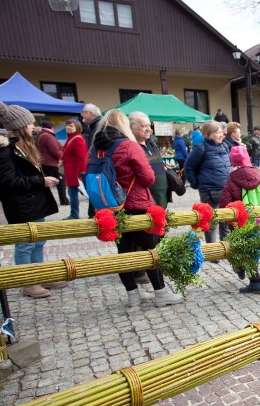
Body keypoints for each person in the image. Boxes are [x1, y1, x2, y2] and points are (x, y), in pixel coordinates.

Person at [94, 109, 182, 307]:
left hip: (111, 206)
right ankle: (161, 293)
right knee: (152, 251)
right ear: (125, 125)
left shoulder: (98, 147)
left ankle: (133, 295)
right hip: (137, 203)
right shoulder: (128, 146)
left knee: (124, 252)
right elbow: (148, 177)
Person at [0, 100, 65, 298]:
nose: (33, 126)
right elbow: (8, 181)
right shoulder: (3, 150)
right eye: (29, 123)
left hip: (34, 202)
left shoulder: (22, 146)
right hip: (21, 205)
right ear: (20, 126)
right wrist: (40, 181)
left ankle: (40, 275)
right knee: (26, 243)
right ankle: (28, 281)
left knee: (38, 241)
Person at [219, 145, 260, 294]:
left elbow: (224, 204)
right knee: (252, 248)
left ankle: (252, 280)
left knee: (239, 248)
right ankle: (251, 277)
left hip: (239, 223)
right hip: (257, 221)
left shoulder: (232, 179)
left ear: (232, 162)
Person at [184, 120, 231, 244]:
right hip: (209, 191)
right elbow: (188, 167)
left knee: (225, 219)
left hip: (225, 189)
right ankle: (212, 250)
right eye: (217, 132)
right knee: (210, 222)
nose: (221, 135)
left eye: (221, 132)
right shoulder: (201, 148)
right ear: (209, 134)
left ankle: (224, 247)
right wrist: (196, 184)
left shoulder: (225, 146)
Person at [129, 112, 170, 209]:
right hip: (144, 202)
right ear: (131, 128)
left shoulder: (152, 143)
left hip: (162, 199)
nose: (148, 129)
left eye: (149, 125)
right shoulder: (130, 147)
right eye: (143, 126)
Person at [36, 120, 69, 205]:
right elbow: (55, 150)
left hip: (44, 162)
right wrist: (62, 158)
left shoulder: (40, 135)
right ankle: (63, 200)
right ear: (52, 127)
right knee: (61, 181)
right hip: (52, 163)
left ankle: (45, 201)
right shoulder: (49, 136)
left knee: (46, 182)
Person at [61, 119, 88, 219]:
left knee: (73, 194)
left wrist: (81, 174)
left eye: (71, 126)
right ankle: (74, 213)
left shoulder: (77, 139)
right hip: (71, 172)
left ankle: (74, 214)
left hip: (75, 173)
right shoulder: (70, 138)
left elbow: (82, 158)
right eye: (67, 125)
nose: (68, 127)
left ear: (77, 127)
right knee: (73, 194)